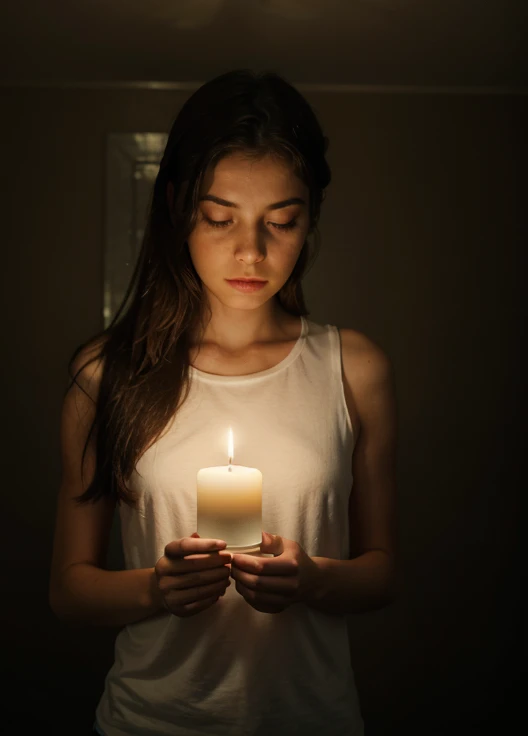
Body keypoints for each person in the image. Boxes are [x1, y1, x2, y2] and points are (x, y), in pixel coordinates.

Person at [49, 69, 398, 736]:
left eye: (282, 221)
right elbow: (69, 589)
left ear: (309, 221)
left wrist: (312, 579)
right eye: (220, 217)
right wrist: (156, 587)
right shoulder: (105, 374)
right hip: (150, 721)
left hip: (310, 718)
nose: (251, 250)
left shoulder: (354, 368)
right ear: (180, 208)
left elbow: (382, 574)